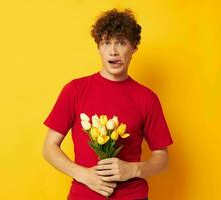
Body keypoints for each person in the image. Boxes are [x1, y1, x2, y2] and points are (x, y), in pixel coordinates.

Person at [42, 8, 173, 200]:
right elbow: (49, 147)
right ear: (98, 47)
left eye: (121, 43)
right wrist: (83, 174)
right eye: (106, 43)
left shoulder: (147, 98)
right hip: (84, 195)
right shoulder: (75, 90)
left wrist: (133, 169)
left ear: (134, 47)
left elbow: (162, 157)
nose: (113, 51)